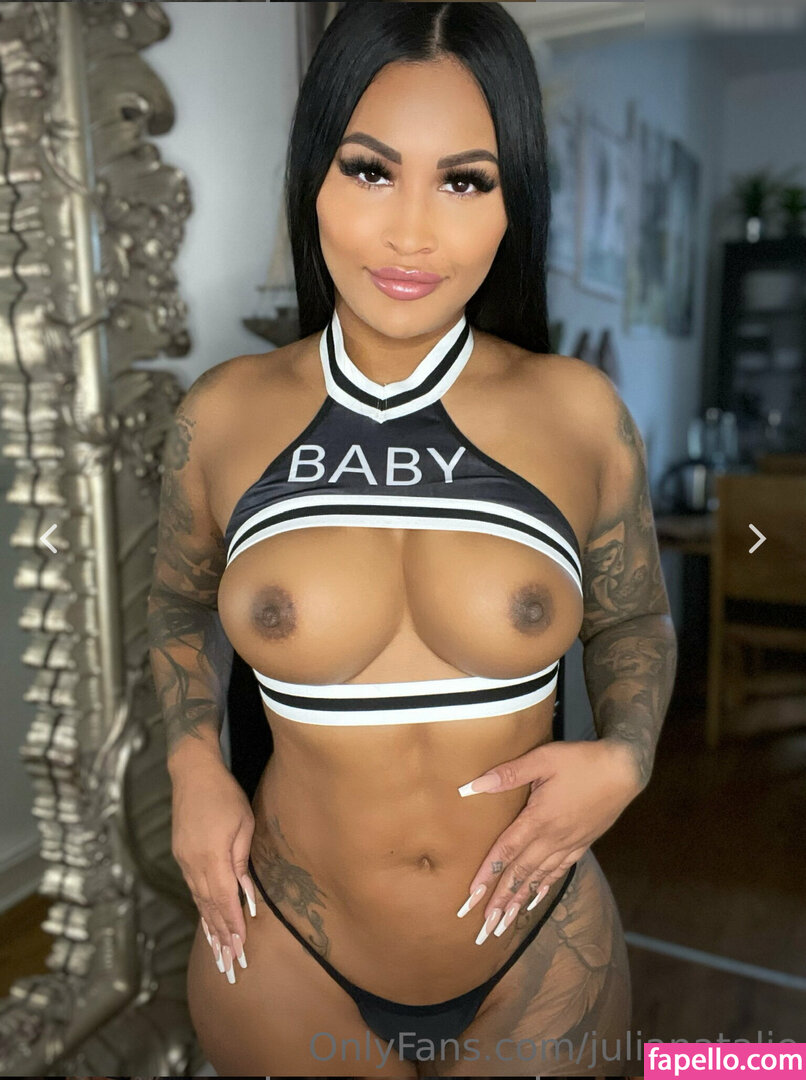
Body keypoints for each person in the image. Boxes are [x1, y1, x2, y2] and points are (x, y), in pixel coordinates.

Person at [147, 3, 677, 1076]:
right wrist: (193, 765)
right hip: (284, 944)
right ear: (314, 175)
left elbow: (632, 618)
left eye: (465, 182)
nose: (411, 235)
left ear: (513, 202)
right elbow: (175, 604)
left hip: (540, 946)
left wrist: (628, 754)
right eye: (370, 170)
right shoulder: (223, 416)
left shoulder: (578, 415)